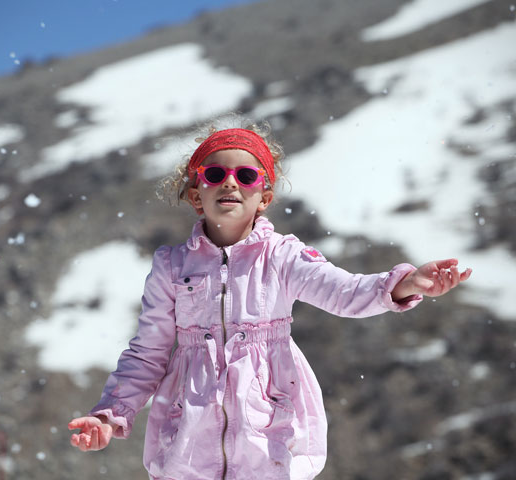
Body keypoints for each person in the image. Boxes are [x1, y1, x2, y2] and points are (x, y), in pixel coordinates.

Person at [68, 124, 472, 479]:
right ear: (196, 195)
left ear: (263, 197)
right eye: (214, 174)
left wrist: (407, 283)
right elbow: (148, 354)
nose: (229, 183)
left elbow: (346, 293)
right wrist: (110, 415)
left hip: (270, 433)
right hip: (187, 437)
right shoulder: (171, 265)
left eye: (245, 175)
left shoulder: (282, 256)